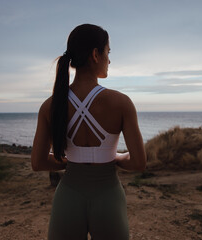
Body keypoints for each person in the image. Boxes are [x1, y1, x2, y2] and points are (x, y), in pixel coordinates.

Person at [31, 24, 146, 240]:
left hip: (68, 197)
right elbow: (138, 162)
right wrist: (116, 157)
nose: (109, 60)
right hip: (108, 196)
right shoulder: (121, 103)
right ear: (95, 54)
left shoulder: (50, 106)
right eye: (107, 52)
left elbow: (38, 162)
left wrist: (70, 162)